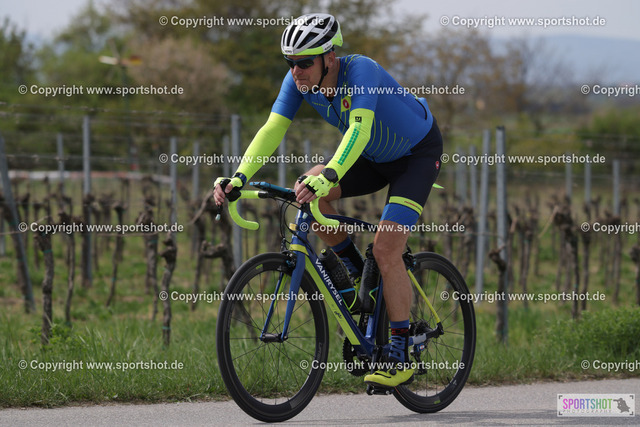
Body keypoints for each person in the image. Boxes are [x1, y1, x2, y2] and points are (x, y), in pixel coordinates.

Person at [214, 13, 443, 388]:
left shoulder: (362, 71)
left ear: (330, 58)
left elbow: (359, 129)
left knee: (386, 249)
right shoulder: (298, 81)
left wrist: (331, 175)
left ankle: (400, 352)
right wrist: (239, 177)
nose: (296, 71)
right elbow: (273, 128)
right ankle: (355, 281)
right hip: (372, 157)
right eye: (289, 62)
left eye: (304, 62)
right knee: (307, 190)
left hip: (415, 156)